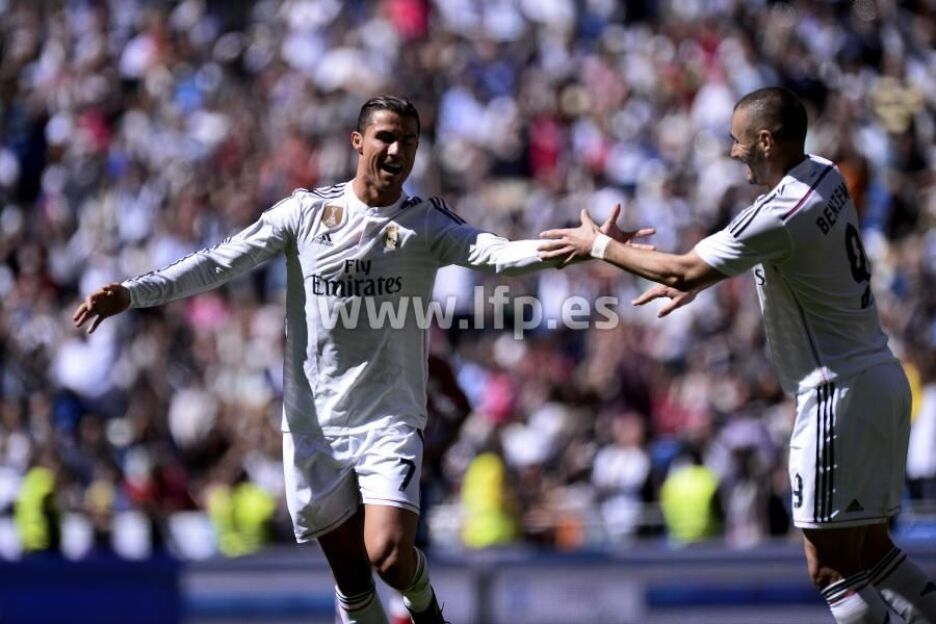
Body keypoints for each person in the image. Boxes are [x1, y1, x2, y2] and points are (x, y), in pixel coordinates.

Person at [73, 96, 650, 624]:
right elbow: (219, 261)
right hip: (314, 425)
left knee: (389, 554)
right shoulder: (305, 214)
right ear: (358, 141)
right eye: (385, 137)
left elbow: (499, 254)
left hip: (388, 417)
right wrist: (133, 293)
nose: (396, 150)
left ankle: (428, 612)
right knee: (353, 587)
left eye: (408, 141)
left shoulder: (426, 223)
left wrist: (589, 248)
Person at [540, 87, 936, 624]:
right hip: (878, 377)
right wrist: (701, 280)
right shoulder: (826, 173)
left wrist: (600, 247)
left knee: (829, 569)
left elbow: (686, 268)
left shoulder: (782, 212)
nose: (732, 151)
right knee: (873, 554)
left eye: (737, 140)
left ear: (766, 141)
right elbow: (774, 257)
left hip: (836, 392)